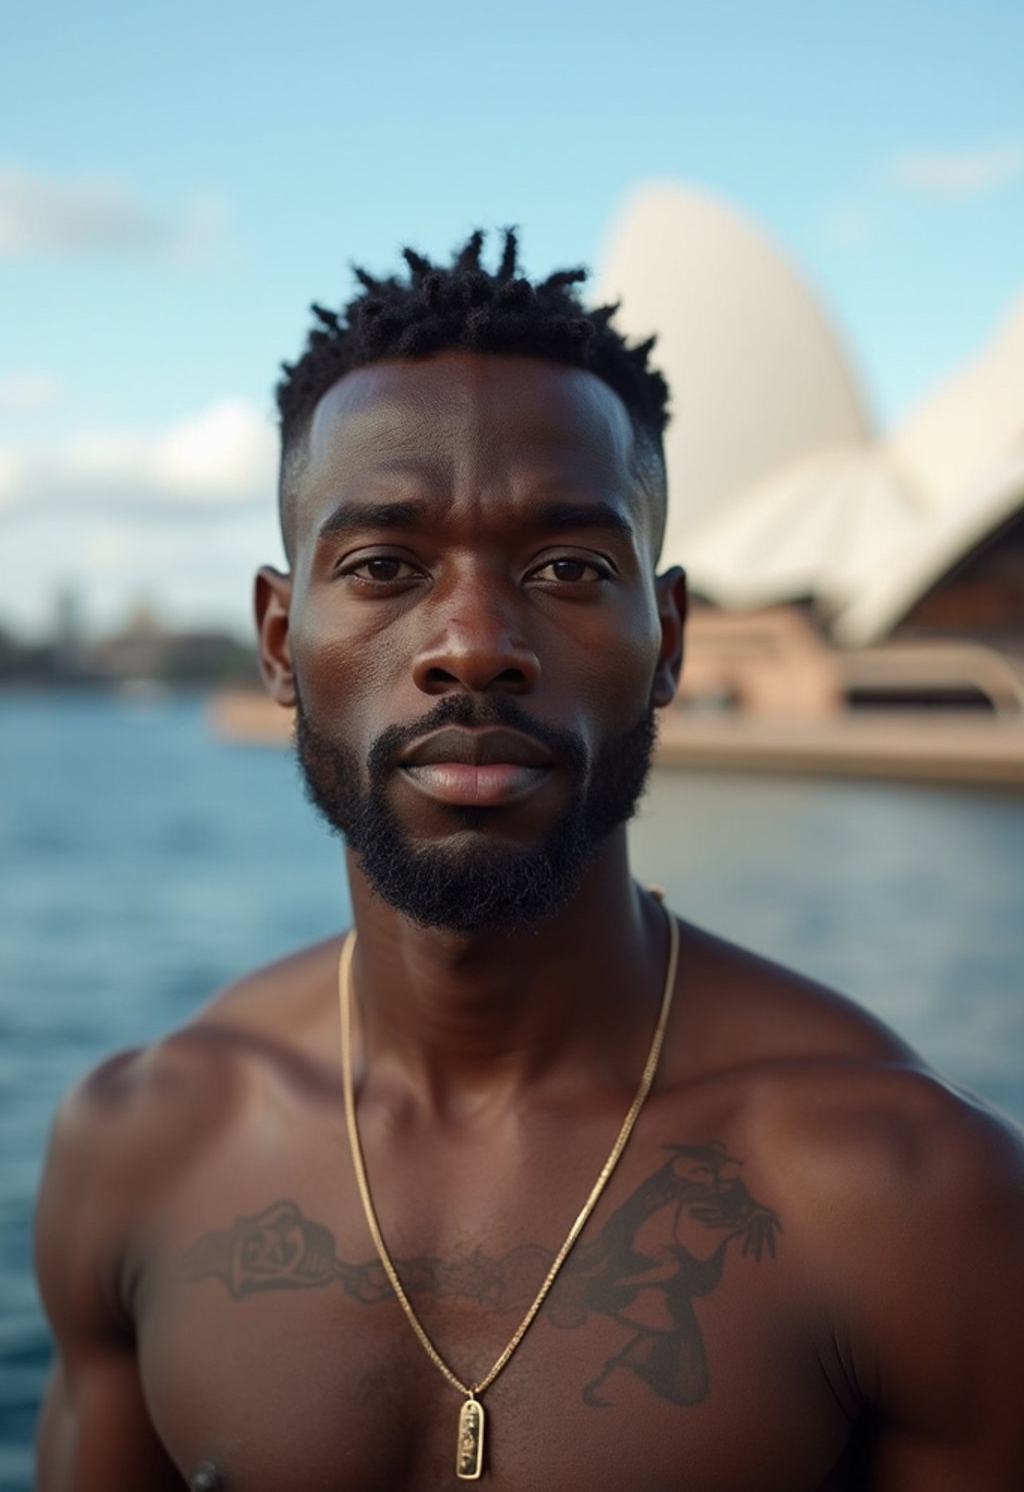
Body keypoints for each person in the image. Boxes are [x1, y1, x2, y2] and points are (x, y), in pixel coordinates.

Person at [35, 231, 1024, 1491]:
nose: (471, 645)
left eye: (567, 567)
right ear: (281, 641)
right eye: (384, 566)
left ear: (665, 639)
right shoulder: (142, 1142)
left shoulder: (907, 1190)